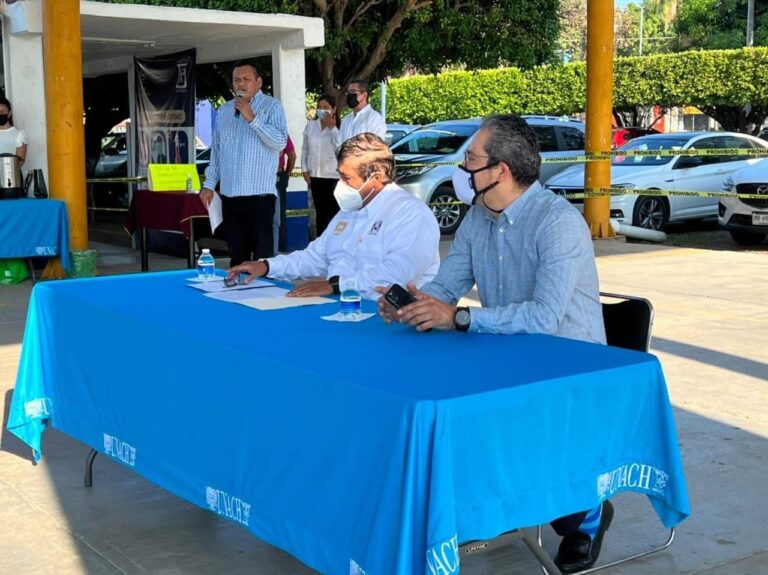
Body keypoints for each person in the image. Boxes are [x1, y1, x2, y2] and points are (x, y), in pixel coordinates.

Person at [377, 114, 611, 574]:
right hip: (503, 351)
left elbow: (544, 317)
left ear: (500, 170)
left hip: (568, 362)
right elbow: (446, 288)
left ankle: (586, 515)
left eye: (471, 160)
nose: (463, 169)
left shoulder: (558, 223)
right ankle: (487, 507)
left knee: (508, 424)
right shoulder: (477, 220)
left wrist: (460, 318)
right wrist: (412, 304)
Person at [227, 133, 440, 300]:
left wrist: (336, 286)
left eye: (346, 178)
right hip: (341, 308)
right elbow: (316, 257)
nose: (340, 184)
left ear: (375, 178)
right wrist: (267, 266)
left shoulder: (411, 214)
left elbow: (395, 275)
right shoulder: (349, 211)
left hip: (387, 317)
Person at [200, 62, 288, 265]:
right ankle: (237, 294)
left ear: (258, 83)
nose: (241, 84)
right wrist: (209, 185)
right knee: (237, 257)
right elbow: (217, 153)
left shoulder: (272, 107)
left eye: (246, 79)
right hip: (230, 197)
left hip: (259, 197)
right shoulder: (224, 111)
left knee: (261, 258)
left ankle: (263, 294)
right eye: (237, 80)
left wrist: (252, 118)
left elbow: (279, 142)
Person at [302, 94, 342, 236]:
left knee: (334, 212)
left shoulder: (339, 129)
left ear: (334, 109)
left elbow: (342, 149)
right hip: (316, 175)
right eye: (320, 107)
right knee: (320, 212)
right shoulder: (311, 126)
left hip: (334, 176)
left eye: (326, 107)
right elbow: (305, 149)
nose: (322, 110)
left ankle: (336, 241)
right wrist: (304, 169)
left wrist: (333, 128)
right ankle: (320, 242)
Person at [274, 135, 297, 254]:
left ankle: (277, 249)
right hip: (272, 176)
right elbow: (292, 156)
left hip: (277, 177)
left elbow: (292, 156)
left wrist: (287, 174)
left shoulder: (281, 134)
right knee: (278, 216)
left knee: (278, 216)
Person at [0, 97, 28, 164]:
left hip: (10, 173)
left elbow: (20, 162)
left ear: (9, 113)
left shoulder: (19, 135)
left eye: (1, 112)